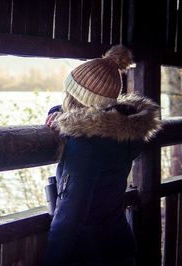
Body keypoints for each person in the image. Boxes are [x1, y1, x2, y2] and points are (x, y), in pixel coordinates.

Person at [44, 45, 162, 266]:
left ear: (75, 97)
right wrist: (59, 114)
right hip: (119, 246)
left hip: (90, 254)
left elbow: (70, 215)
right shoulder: (122, 130)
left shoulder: (85, 144)